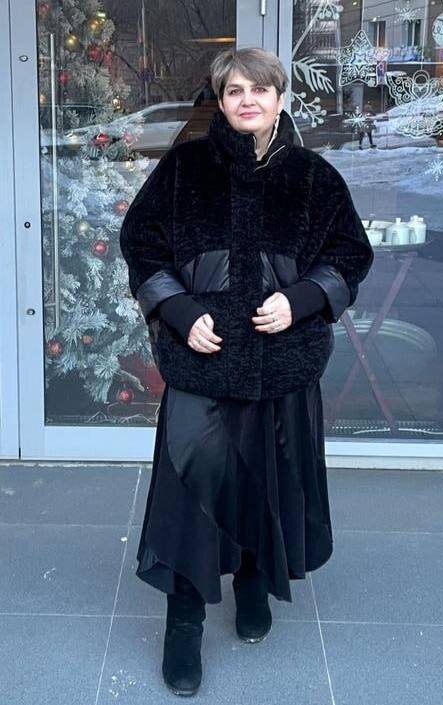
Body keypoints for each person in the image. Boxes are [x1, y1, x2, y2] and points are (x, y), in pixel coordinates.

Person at [119, 47, 374, 697]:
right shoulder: (183, 169)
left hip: (281, 363)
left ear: (280, 98)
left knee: (268, 479)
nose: (248, 100)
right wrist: (178, 310)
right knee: (190, 491)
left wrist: (304, 298)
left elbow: (350, 252)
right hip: (201, 363)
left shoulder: (312, 175)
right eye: (235, 90)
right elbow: (141, 244)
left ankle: (255, 582)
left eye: (260, 89)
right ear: (221, 101)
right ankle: (183, 622)